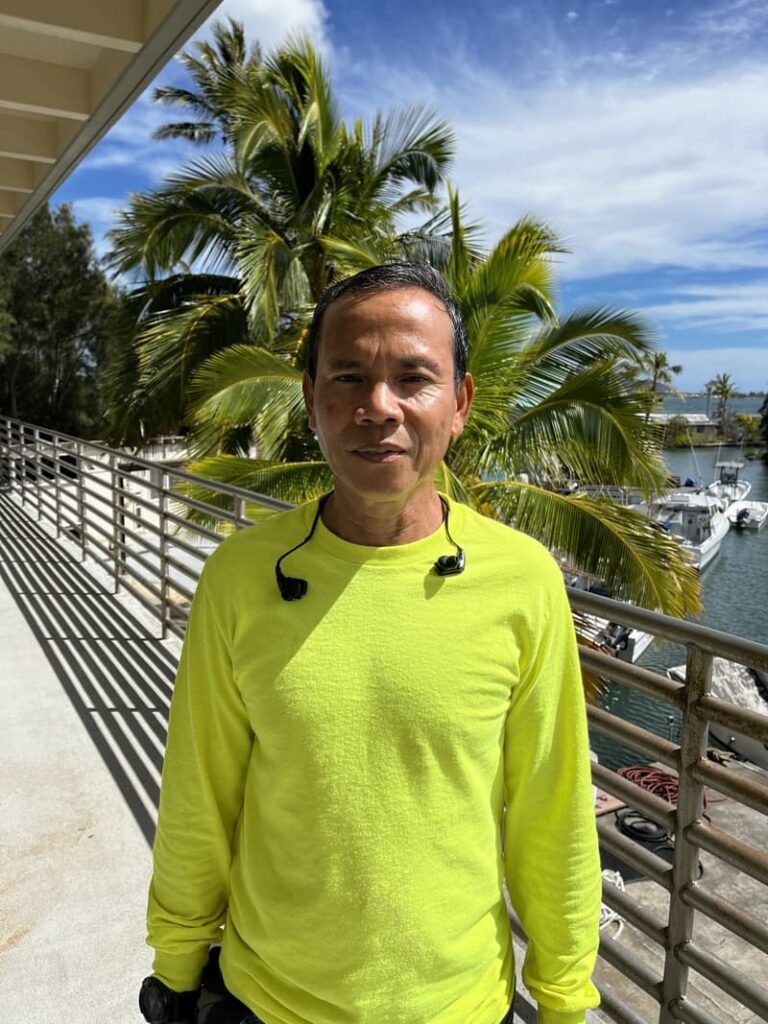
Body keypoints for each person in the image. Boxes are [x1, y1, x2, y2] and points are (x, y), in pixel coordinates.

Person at [139, 263, 602, 1024]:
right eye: (347, 377)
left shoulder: (523, 582)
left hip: (460, 1005)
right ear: (311, 402)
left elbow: (553, 813)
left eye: (413, 378)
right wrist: (177, 964)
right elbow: (201, 792)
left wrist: (562, 999)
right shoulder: (241, 576)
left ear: (460, 404)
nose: (377, 407)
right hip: (268, 1001)